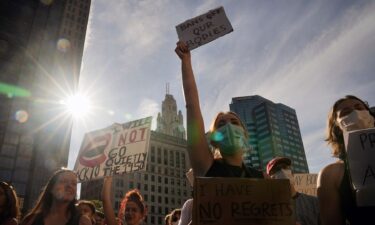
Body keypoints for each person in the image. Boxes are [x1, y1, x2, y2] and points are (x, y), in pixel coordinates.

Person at [174, 41, 266, 179]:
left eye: (234, 122)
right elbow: (192, 105)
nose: (229, 126)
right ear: (213, 140)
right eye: (221, 125)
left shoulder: (262, 178)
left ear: (245, 134)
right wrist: (186, 61)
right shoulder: (206, 166)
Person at [317, 95, 375, 225]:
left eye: (359, 107)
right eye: (346, 112)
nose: (355, 113)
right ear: (336, 127)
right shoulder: (330, 174)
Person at [20, 168, 91, 225]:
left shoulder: (82, 222)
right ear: (51, 188)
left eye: (74, 183)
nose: (69, 186)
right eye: (63, 181)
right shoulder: (31, 220)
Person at [267, 157, 321, 225]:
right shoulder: (267, 210)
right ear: (270, 179)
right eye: (277, 169)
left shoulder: (314, 202)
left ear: (292, 174)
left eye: (285, 167)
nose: (282, 171)